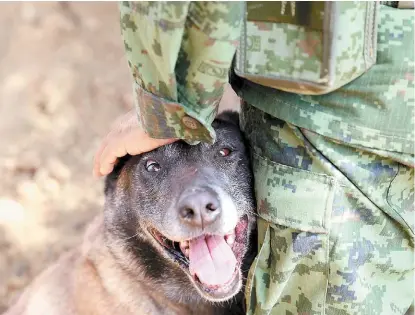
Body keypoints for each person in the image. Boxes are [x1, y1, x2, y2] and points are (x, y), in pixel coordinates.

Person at [93, 2, 414, 314]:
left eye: (223, 152)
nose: (199, 203)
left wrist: (166, 105)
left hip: (327, 101)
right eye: (153, 167)